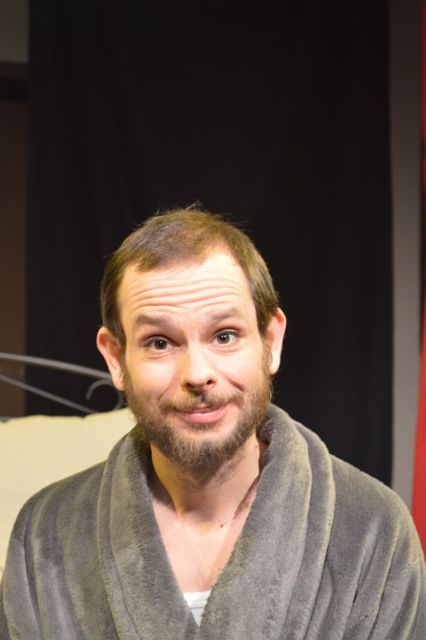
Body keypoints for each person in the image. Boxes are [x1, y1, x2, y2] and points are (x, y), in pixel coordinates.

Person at [0, 207, 425, 639]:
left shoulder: (373, 530)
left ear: (271, 342)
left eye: (225, 335)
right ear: (115, 358)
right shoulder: (44, 535)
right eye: (159, 343)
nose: (197, 373)